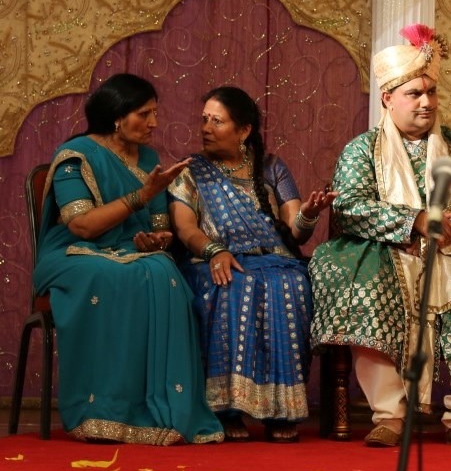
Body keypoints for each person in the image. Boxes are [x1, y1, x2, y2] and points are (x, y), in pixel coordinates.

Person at [309, 24, 451, 449]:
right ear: (387, 99)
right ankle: (389, 414)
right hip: (385, 248)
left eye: (431, 92)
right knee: (361, 284)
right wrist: (413, 221)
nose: (427, 102)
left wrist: (448, 229)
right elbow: (349, 205)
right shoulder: (362, 149)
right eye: (414, 93)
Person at [32, 73, 223, 444]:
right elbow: (82, 226)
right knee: (117, 276)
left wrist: (157, 240)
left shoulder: (148, 159)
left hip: (129, 252)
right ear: (117, 116)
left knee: (163, 269)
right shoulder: (76, 156)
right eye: (144, 114)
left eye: (155, 113)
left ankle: (161, 409)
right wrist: (142, 195)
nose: (154, 123)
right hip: (73, 254)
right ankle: (103, 410)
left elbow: (159, 228)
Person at [168, 87, 336, 443]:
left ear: (243, 130)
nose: (206, 128)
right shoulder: (190, 171)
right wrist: (215, 251)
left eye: (217, 121)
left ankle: (280, 410)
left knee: (293, 284)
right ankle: (226, 408)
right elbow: (185, 228)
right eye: (204, 119)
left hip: (274, 261)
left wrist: (308, 214)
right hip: (212, 260)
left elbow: (295, 233)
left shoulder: (272, 167)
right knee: (233, 282)